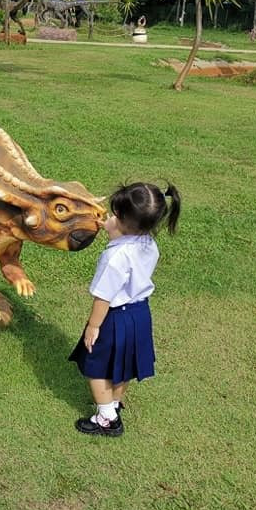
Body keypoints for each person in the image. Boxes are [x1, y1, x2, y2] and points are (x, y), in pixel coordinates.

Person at [68, 182, 181, 437]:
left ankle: (106, 419)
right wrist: (116, 230)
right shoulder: (148, 243)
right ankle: (115, 404)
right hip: (139, 314)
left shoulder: (115, 257)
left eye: (115, 216)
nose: (109, 219)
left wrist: (93, 326)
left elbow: (104, 297)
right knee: (123, 366)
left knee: (95, 367)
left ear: (124, 223)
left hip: (114, 317)